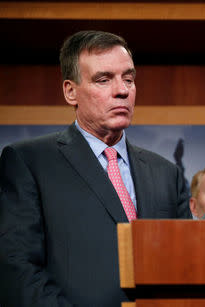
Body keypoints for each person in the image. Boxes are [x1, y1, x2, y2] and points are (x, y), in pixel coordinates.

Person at [0, 30, 191, 307]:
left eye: (129, 79)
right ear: (70, 91)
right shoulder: (29, 161)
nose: (122, 90)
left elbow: (188, 260)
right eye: (104, 80)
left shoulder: (165, 173)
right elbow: (17, 269)